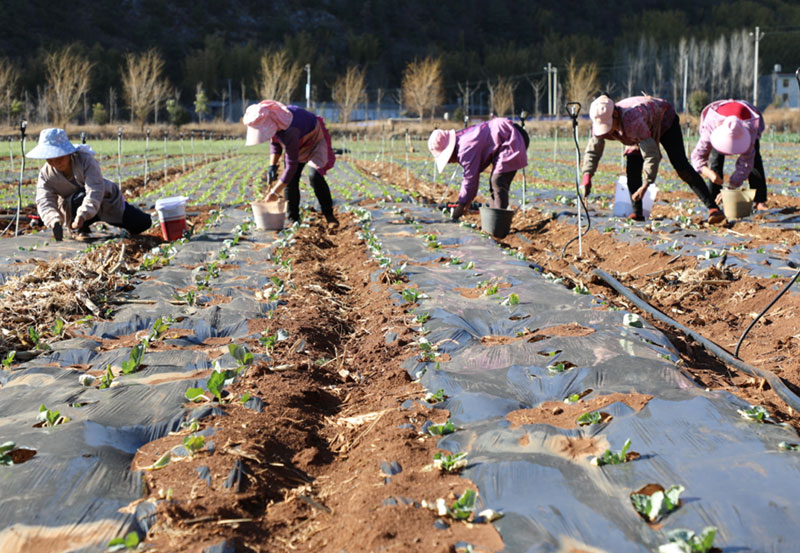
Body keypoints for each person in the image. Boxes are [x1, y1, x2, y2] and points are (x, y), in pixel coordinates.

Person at [581, 95, 726, 224]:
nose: (605, 130)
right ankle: (637, 213)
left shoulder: (632, 121)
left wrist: (646, 185)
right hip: (641, 129)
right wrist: (587, 176)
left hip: (664, 121)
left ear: (615, 115)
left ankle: (713, 208)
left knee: (681, 165)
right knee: (632, 168)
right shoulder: (600, 124)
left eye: (608, 125)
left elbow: (651, 155)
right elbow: (593, 151)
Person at [27, 128, 152, 241]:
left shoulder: (85, 160)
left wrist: (83, 215)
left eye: (59, 158)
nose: (56, 163)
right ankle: (81, 230)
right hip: (74, 210)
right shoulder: (46, 174)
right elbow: (44, 200)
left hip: (104, 202)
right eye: (50, 160)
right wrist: (53, 220)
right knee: (77, 198)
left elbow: (95, 190)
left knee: (143, 222)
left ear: (68, 153)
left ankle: (113, 226)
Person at [243, 100, 337, 225]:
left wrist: (274, 193)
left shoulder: (290, 130)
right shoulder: (275, 122)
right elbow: (275, 142)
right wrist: (272, 166)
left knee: (315, 176)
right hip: (296, 142)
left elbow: (291, 166)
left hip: (315, 141)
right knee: (291, 181)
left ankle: (329, 216)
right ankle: (294, 220)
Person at [427, 118, 528, 221]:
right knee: (495, 184)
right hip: (507, 135)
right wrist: (465, 201)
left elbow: (470, 178)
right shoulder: (461, 140)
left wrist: (462, 205)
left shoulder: (465, 147)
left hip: (511, 137)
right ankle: (493, 221)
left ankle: (499, 224)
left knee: (498, 181)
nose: (449, 162)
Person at [691, 99, 768, 211]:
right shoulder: (710, 127)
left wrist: (731, 187)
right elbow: (697, 156)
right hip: (719, 118)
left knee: (754, 160)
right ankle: (714, 201)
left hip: (746, 117)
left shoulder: (750, 131)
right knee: (715, 160)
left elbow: (746, 164)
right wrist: (708, 173)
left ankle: (759, 200)